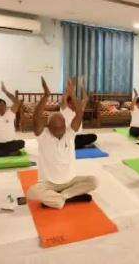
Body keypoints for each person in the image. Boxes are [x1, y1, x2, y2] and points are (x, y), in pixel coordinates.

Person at [27, 77, 97, 209]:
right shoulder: (42, 136)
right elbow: (36, 117)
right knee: (31, 192)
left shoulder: (70, 134)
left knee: (94, 181)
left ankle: (62, 197)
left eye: (61, 127)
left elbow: (79, 113)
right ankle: (68, 196)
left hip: (70, 181)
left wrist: (72, 94)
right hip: (49, 183)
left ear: (66, 125)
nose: (59, 131)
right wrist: (46, 96)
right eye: (55, 128)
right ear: (48, 127)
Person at [60, 80, 97, 149]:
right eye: (71, 103)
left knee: (94, 136)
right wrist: (69, 90)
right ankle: (70, 144)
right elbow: (64, 99)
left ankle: (72, 145)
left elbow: (86, 99)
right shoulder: (64, 109)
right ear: (68, 103)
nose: (73, 104)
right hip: (67, 135)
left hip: (78, 136)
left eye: (74, 102)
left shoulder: (79, 109)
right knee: (67, 140)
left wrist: (82, 86)